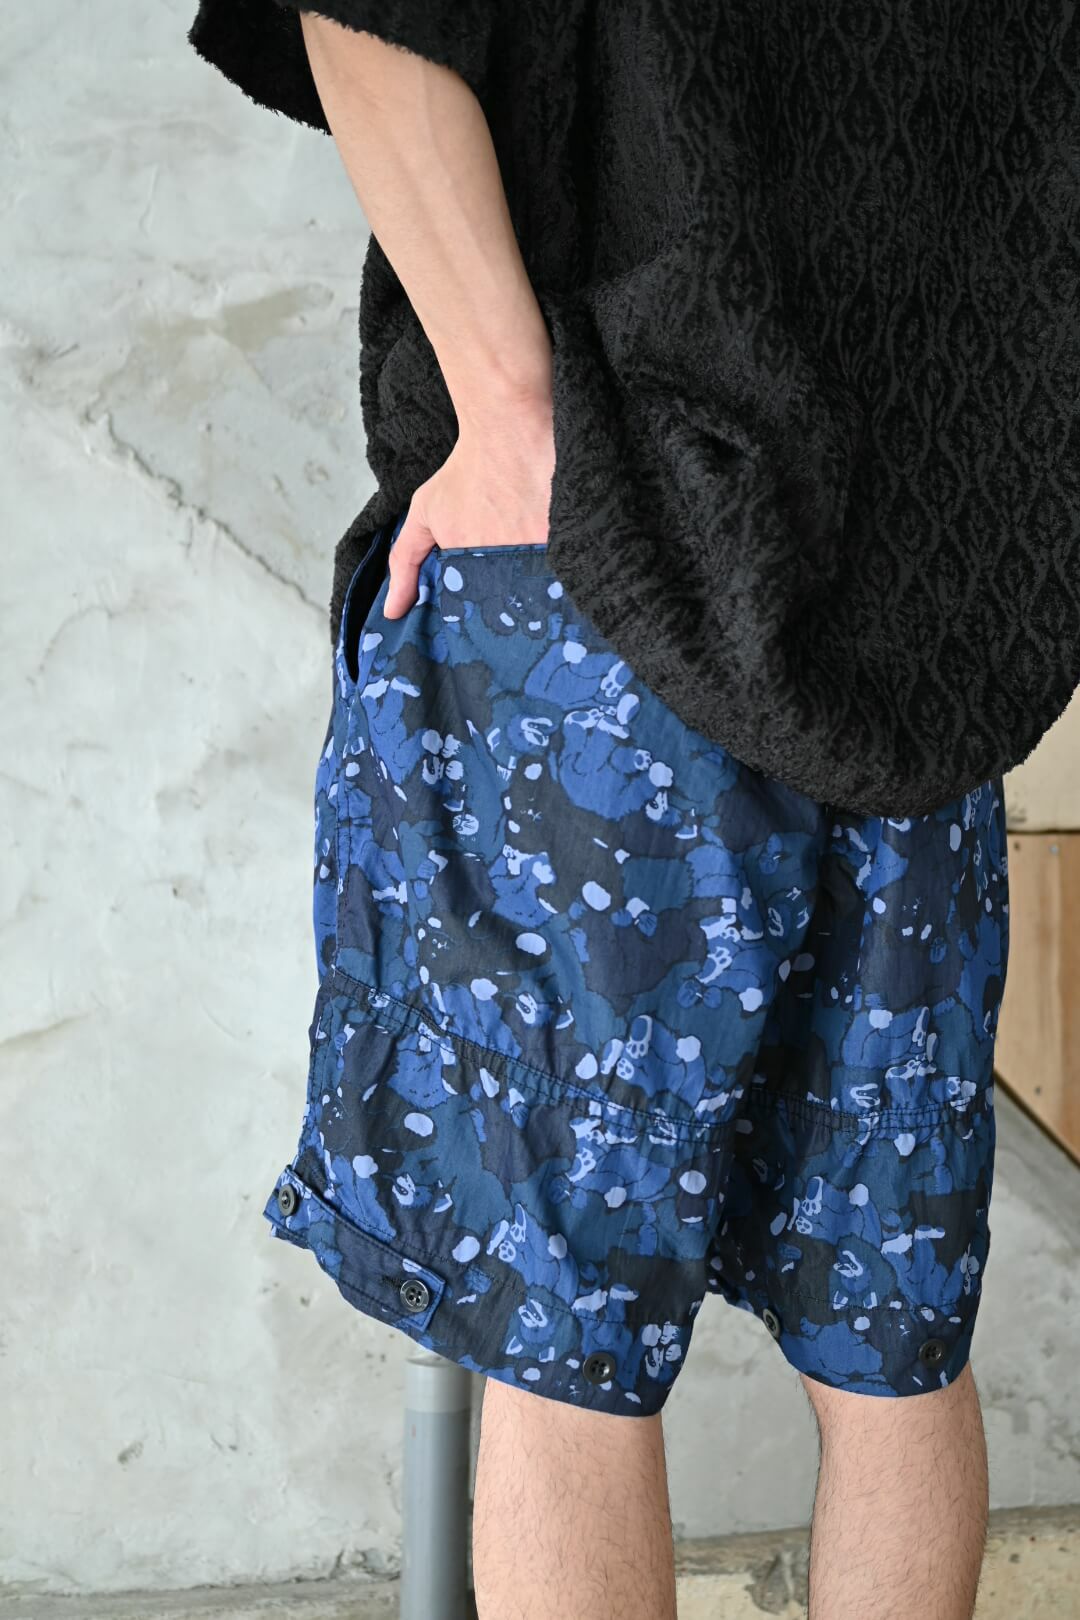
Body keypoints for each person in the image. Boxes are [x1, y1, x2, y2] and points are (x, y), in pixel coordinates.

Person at [186, 6, 1075, 1617]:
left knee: (566, 1338)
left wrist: (510, 415)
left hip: (615, 581)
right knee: (891, 1338)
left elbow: (366, 15)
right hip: (914, 628)